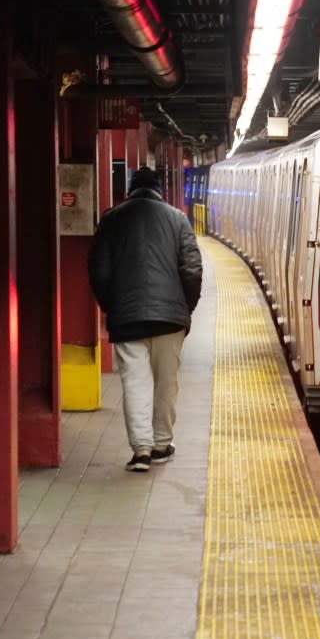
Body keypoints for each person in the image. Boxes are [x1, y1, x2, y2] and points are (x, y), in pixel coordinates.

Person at [88, 166, 203, 472]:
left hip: (127, 319)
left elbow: (99, 271)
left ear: (130, 191)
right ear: (159, 190)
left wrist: (111, 306)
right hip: (170, 319)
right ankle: (162, 445)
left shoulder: (111, 219)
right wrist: (185, 309)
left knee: (135, 383)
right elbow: (192, 269)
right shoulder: (177, 219)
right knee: (167, 384)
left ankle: (141, 451)